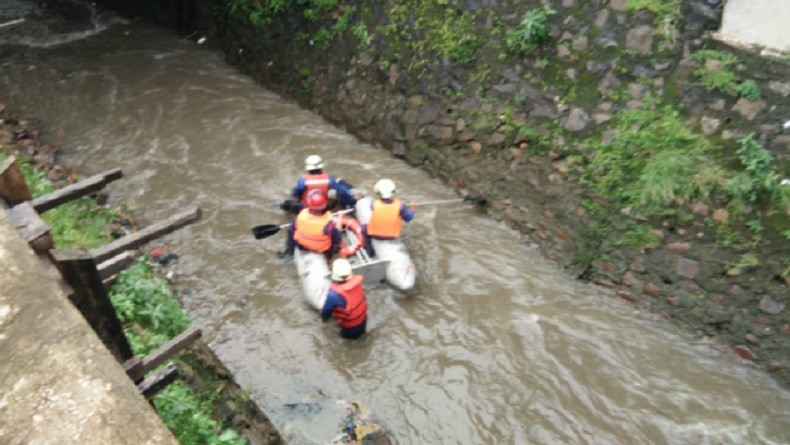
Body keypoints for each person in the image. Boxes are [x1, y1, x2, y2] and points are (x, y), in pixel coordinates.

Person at [280, 155, 359, 212]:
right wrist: (352, 200)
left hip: (306, 208)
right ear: (321, 167)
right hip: (323, 207)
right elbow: (342, 192)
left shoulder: (303, 180)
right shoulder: (330, 179)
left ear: (308, 168)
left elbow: (295, 193)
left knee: (287, 204)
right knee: (341, 183)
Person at [279, 189, 341, 260]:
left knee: (291, 231)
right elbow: (336, 236)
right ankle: (329, 257)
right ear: (324, 206)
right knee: (335, 240)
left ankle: (289, 252)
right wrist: (335, 247)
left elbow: (291, 229)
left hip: (302, 246)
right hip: (321, 249)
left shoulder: (301, 216)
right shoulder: (328, 224)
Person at [363, 178, 416, 256]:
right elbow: (408, 218)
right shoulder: (401, 205)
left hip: (375, 235)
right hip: (392, 236)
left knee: (363, 229)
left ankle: (369, 250)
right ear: (393, 191)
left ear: (378, 192)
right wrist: (412, 208)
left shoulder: (373, 203)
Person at [321, 258, 367, 339]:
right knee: (361, 337)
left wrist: (323, 321)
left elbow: (326, 312)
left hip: (350, 328)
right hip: (363, 320)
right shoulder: (356, 283)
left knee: (349, 342)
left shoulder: (333, 295)